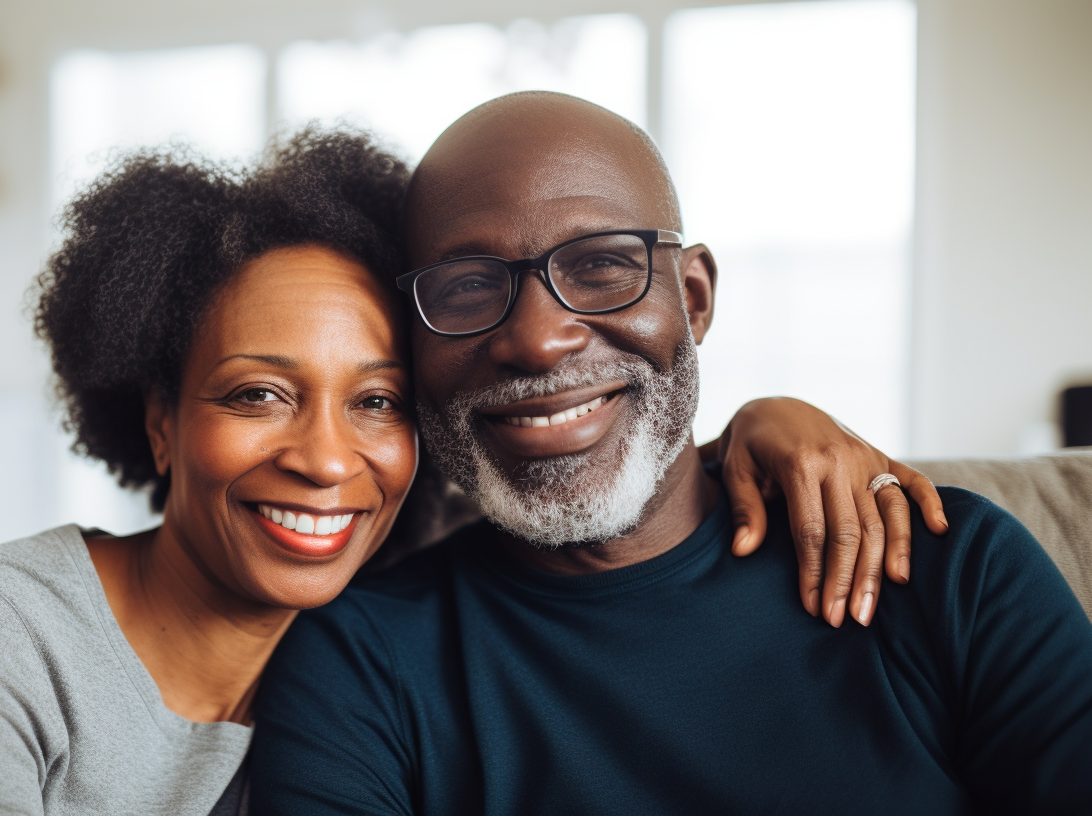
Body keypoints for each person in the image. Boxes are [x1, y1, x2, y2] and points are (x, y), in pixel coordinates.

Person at [0, 129, 945, 816]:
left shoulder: (386, 645)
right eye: (257, 393)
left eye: (379, 403)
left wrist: (756, 424)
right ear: (157, 421)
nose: (323, 459)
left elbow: (594, 468)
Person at [249, 94, 1092, 814]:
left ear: (691, 299)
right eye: (468, 286)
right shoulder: (359, 662)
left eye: (600, 267)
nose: (540, 341)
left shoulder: (951, 572)